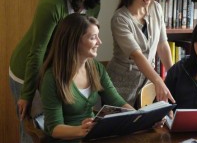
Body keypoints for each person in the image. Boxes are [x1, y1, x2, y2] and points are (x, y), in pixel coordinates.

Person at [9, 0, 112, 142]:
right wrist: (27, 94)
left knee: (58, 130)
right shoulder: (53, 2)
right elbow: (37, 51)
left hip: (55, 71)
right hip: (27, 70)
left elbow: (82, 41)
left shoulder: (94, 3)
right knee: (33, 132)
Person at [39, 13, 133, 142]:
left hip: (91, 136)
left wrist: (142, 117)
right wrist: (83, 130)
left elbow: (117, 102)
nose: (99, 42)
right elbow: (55, 129)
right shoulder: (52, 78)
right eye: (93, 38)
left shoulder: (96, 68)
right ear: (74, 41)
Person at [106, 0, 175, 107]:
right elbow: (137, 55)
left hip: (146, 84)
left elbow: (162, 45)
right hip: (120, 84)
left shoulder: (156, 8)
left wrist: (174, 75)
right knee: (123, 125)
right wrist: (158, 80)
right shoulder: (120, 19)